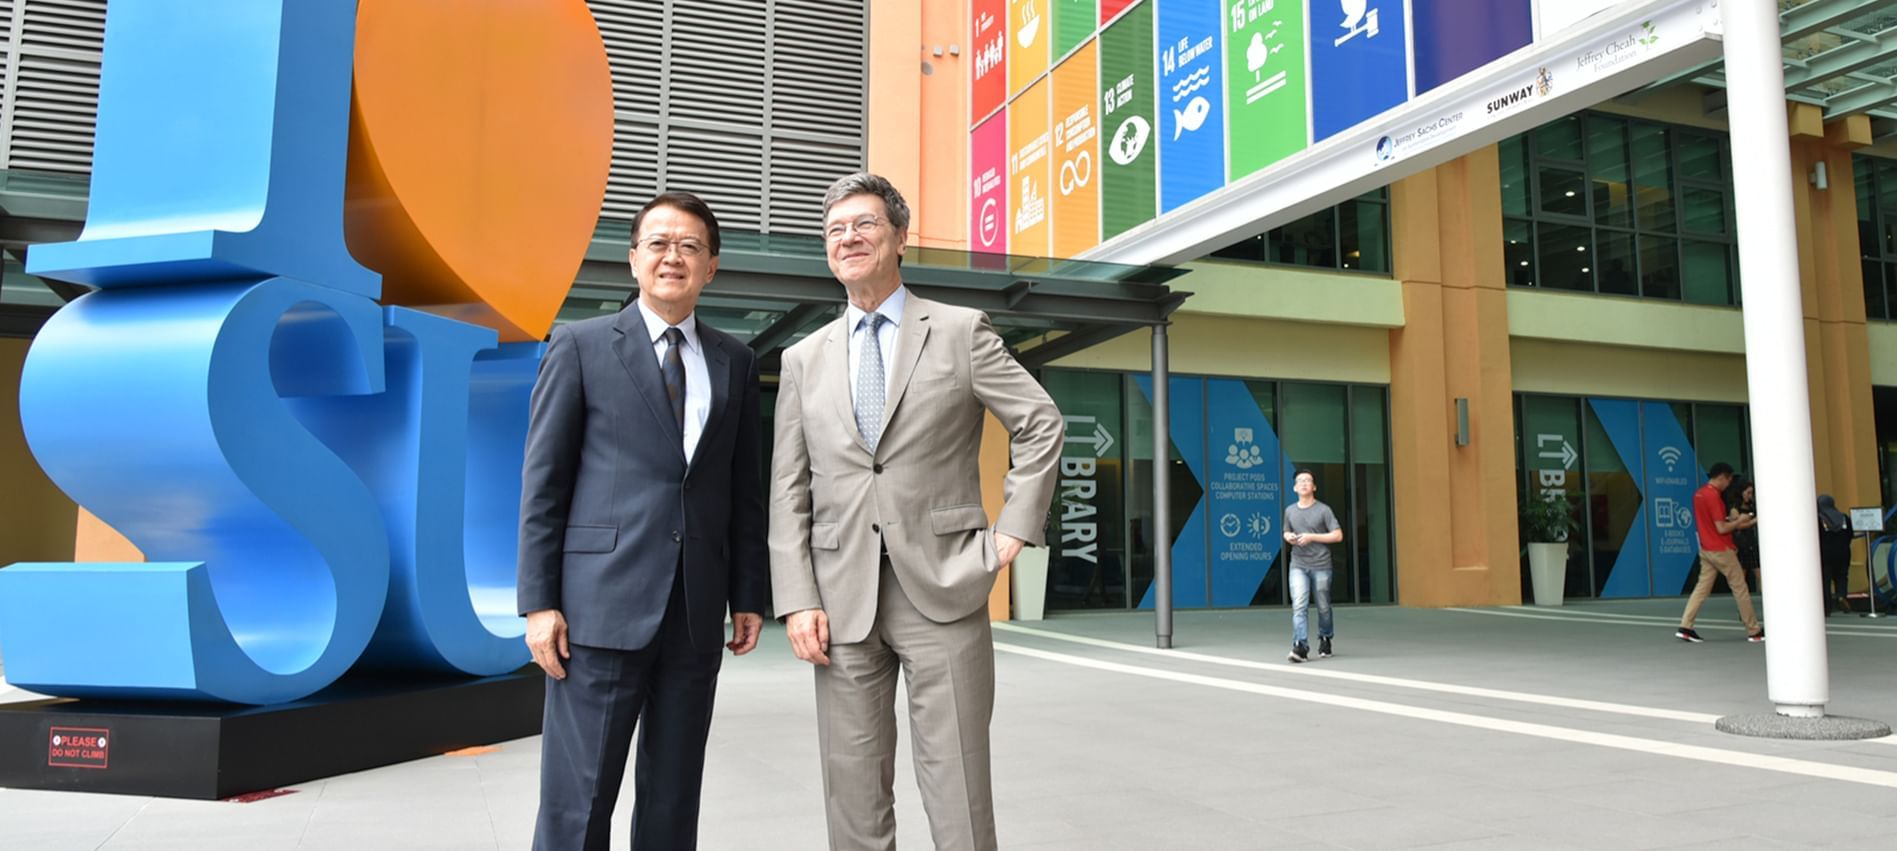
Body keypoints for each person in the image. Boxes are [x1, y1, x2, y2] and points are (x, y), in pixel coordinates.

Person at [769, 172, 1063, 851]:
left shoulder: (959, 331)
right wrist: (796, 595)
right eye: (835, 229)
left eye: (864, 224)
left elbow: (1039, 422)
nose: (848, 238)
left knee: (956, 782)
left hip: (945, 584)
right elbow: (789, 485)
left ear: (899, 237)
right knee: (852, 787)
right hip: (839, 599)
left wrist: (1014, 526)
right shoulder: (802, 358)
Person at [517, 192, 769, 850]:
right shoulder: (579, 345)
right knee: (580, 796)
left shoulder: (735, 362)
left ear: (711, 267)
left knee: (673, 795)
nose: (672, 256)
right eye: (657, 242)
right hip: (598, 612)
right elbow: (544, 484)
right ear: (633, 259)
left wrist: (748, 593)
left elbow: (744, 490)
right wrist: (538, 601)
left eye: (689, 246)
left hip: (694, 614)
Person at [1675, 462, 1762, 643]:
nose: (1729, 484)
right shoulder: (1713, 496)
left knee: (1701, 588)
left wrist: (1729, 519)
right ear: (1722, 477)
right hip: (1721, 549)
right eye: (1729, 480)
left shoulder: (1698, 494)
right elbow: (1721, 528)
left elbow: (1712, 522)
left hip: (1706, 549)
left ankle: (1686, 626)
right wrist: (1740, 521)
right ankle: (1754, 630)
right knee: (1740, 588)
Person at [1282, 468, 1344, 663]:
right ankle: (1300, 646)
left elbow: (1338, 535)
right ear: (1294, 487)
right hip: (1298, 564)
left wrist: (1311, 537)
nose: (1304, 483)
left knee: (1323, 606)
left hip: (1321, 564)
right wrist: (1289, 537)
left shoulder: (1324, 510)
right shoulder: (1290, 511)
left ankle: (1325, 637)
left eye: (1308, 480)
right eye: (1300, 481)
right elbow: (1286, 531)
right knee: (1299, 605)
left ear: (1314, 486)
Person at [1818, 494, 1854, 615]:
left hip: (1826, 554)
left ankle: (1826, 608)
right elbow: (1850, 534)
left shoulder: (1819, 519)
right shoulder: (1844, 517)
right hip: (1843, 552)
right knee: (1842, 576)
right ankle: (1841, 596)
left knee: (1825, 579)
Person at [1730, 478, 1760, 593]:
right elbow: (1738, 525)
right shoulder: (1735, 508)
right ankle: (1741, 600)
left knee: (1758, 570)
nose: (1750, 495)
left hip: (1751, 541)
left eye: (1751, 493)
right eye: (1748, 492)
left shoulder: (1752, 506)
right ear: (1741, 492)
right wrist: (1753, 521)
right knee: (1742, 573)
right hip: (1741, 543)